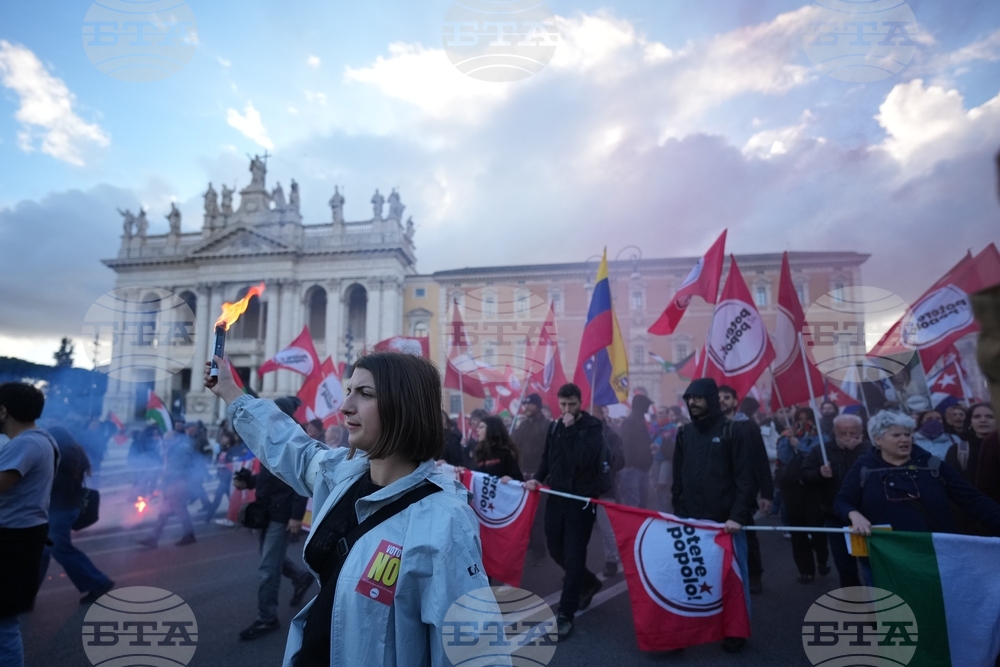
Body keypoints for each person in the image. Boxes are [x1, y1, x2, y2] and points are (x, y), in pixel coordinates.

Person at [205, 352, 498, 666]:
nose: (345, 406)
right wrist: (231, 392)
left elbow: (473, 652)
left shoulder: (445, 522)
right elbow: (290, 446)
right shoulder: (342, 474)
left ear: (403, 407)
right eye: (349, 392)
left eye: (365, 394)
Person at [835, 410, 1000, 584]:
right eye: (896, 435)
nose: (904, 439)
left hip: (937, 557)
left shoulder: (932, 465)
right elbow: (842, 501)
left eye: (907, 434)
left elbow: (973, 500)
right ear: (878, 439)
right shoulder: (864, 469)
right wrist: (853, 514)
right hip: (888, 560)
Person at [671, 378, 756, 654]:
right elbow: (677, 477)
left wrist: (738, 516)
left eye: (697, 398)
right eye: (688, 398)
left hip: (726, 523)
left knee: (733, 579)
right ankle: (686, 630)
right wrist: (679, 511)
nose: (692, 402)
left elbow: (746, 477)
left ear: (710, 398)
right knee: (691, 578)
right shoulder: (684, 434)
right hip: (692, 521)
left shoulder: (733, 431)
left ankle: (736, 630)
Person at [523, 383, 606, 641]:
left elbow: (584, 459)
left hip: (580, 501)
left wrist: (570, 430)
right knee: (556, 549)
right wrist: (537, 478)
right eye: (563, 404)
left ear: (580, 402)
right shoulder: (554, 426)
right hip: (557, 498)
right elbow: (547, 458)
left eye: (572, 404)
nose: (567, 409)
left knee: (573, 556)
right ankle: (589, 581)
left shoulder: (592, 427)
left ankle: (565, 615)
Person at [233, 397, 315, 640]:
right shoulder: (270, 436)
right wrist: (248, 481)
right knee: (271, 559)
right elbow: (269, 478)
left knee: (268, 568)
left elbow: (299, 480)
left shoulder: (295, 439)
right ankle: (300, 577)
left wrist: (296, 516)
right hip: (265, 511)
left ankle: (267, 617)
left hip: (281, 515)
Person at [0, 383, 58, 667]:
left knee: (4, 625)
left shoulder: (26, 443)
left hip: (11, 543)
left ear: (3, 412)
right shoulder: (41, 438)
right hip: (21, 539)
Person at [37, 427, 115, 603]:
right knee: (42, 552)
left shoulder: (60, 459)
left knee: (61, 550)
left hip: (59, 511)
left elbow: (55, 487)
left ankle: (98, 582)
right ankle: (25, 594)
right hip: (66, 509)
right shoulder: (72, 455)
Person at [800, 414, 868, 587]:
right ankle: (853, 596)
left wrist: (856, 450)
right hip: (835, 513)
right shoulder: (821, 450)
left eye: (853, 432)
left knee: (869, 560)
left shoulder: (869, 449)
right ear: (835, 432)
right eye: (843, 433)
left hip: (866, 514)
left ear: (861, 432)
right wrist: (819, 474)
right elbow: (804, 475)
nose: (848, 437)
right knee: (843, 561)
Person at [718, 387, 773, 595]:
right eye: (717, 398)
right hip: (718, 492)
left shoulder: (748, 426)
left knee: (746, 534)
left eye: (726, 397)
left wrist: (766, 493)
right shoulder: (710, 427)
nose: (721, 400)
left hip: (744, 490)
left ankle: (754, 574)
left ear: (735, 402)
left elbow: (761, 459)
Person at [774, 406, 829, 584]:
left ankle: (822, 559)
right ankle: (805, 569)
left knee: (816, 527)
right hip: (792, 487)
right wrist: (788, 440)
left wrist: (800, 445)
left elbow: (818, 456)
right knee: (798, 531)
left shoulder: (821, 436)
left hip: (813, 486)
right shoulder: (786, 436)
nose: (803, 422)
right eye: (800, 419)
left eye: (807, 419)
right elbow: (783, 458)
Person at [136, 424, 199, 548]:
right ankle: (154, 538)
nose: (166, 443)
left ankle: (189, 534)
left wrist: (162, 485)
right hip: (174, 483)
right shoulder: (176, 449)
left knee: (180, 509)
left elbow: (172, 470)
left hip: (178, 483)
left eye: (168, 440)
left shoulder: (180, 451)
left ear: (175, 439)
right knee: (164, 511)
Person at [593, 405, 625, 577]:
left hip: (605, 489)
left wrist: (603, 462)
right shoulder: (580, 432)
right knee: (578, 531)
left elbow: (619, 461)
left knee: (606, 528)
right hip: (583, 489)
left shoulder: (611, 435)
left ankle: (611, 560)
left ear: (600, 413)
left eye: (593, 411)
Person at [617, 394, 653, 509]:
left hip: (641, 466)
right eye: (647, 405)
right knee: (633, 503)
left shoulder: (639, 420)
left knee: (641, 502)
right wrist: (628, 464)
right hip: (633, 467)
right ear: (641, 406)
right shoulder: (630, 422)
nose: (648, 408)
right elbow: (626, 443)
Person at [462, 416, 523, 481]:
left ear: (491, 429)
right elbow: (472, 471)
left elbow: (518, 479)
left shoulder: (505, 453)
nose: (477, 430)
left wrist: (511, 479)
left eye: (481, 427)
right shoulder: (479, 453)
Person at [511, 394, 549, 479]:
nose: (527, 407)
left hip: (537, 472)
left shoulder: (546, 425)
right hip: (521, 470)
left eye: (531, 404)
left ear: (538, 407)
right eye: (526, 404)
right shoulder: (523, 425)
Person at [649, 405, 678, 513]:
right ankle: (660, 510)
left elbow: (675, 443)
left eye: (662, 413)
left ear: (667, 414)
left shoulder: (673, 427)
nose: (660, 415)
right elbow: (648, 439)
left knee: (663, 484)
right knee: (657, 486)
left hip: (667, 458)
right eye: (658, 413)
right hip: (655, 458)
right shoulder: (653, 426)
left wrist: (666, 442)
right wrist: (651, 446)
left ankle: (665, 511)